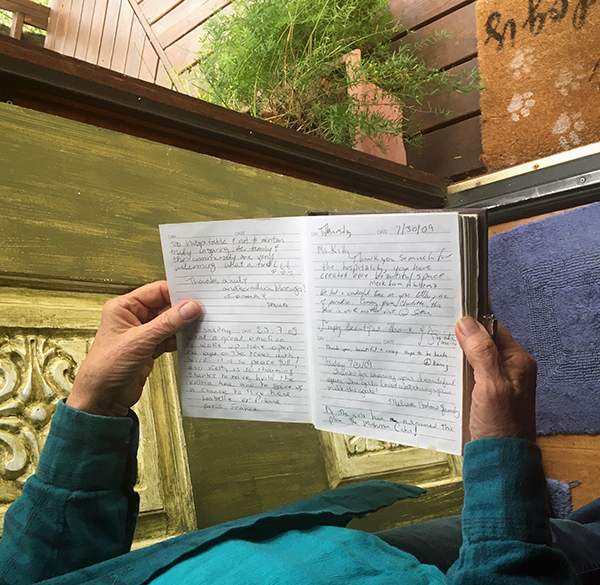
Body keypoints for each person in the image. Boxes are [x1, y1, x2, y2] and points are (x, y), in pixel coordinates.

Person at [0, 281, 590, 584]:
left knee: (560, 530)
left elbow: (35, 570)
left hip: (342, 553)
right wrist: (505, 455)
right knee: (567, 550)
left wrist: (94, 403)